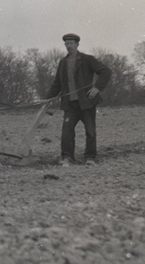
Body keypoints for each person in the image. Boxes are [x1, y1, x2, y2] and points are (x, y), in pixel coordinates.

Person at [46, 33, 112, 166]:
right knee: (66, 133)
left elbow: (106, 71)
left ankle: (90, 158)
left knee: (90, 131)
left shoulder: (87, 60)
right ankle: (67, 158)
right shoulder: (63, 63)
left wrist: (97, 88)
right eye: (66, 44)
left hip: (86, 103)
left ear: (77, 45)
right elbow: (57, 84)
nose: (69, 46)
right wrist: (47, 99)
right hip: (70, 105)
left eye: (71, 44)